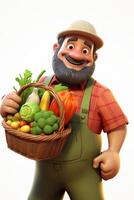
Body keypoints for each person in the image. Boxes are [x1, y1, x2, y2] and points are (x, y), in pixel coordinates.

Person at [0, 20, 128, 200]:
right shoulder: (42, 85)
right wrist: (6, 102)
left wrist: (113, 151)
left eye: (85, 50)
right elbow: (21, 110)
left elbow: (117, 125)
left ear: (93, 59)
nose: (76, 54)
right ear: (56, 49)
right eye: (70, 45)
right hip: (45, 174)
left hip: (85, 176)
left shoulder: (99, 94)